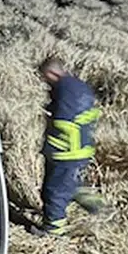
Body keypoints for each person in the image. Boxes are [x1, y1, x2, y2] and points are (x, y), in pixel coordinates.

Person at [36, 56, 104, 234]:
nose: (44, 82)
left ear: (52, 73)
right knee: (73, 187)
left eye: (44, 77)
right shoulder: (79, 86)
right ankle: (102, 210)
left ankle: (53, 231)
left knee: (54, 191)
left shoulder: (64, 90)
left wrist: (50, 144)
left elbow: (64, 123)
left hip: (66, 153)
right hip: (81, 150)